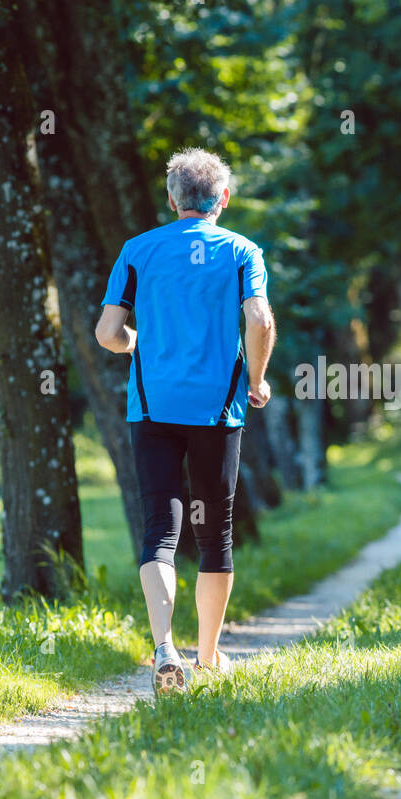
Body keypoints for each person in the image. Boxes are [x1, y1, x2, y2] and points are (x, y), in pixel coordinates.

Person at [95, 147, 276, 696]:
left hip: (153, 408)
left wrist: (135, 345)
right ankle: (209, 653)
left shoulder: (137, 251)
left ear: (171, 199)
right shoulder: (243, 251)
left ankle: (163, 649)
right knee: (214, 532)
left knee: (160, 530)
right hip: (219, 411)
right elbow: (260, 317)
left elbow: (107, 334)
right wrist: (257, 378)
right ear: (223, 198)